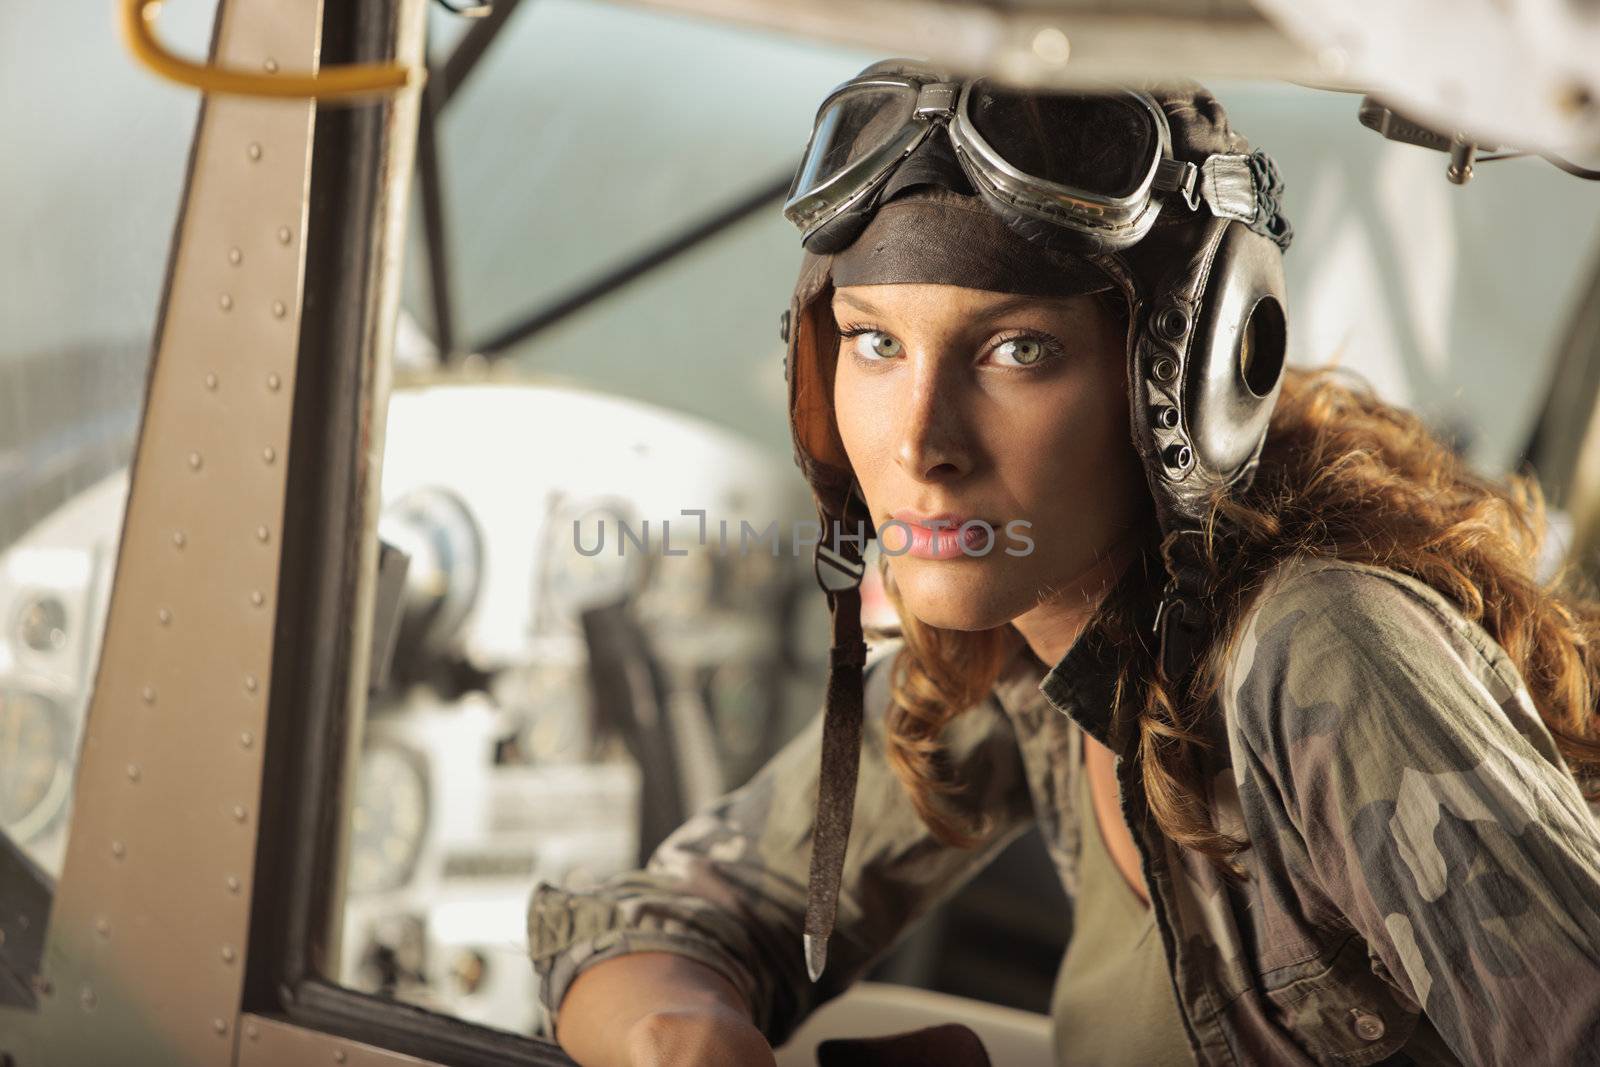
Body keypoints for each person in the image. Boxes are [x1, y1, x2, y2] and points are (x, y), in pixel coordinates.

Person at [526, 63, 1600, 1066]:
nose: (919, 444)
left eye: (1015, 350)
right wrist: (687, 1037)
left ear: (1185, 385)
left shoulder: (1318, 653)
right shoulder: (1027, 650)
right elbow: (662, 921)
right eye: (875, 343)